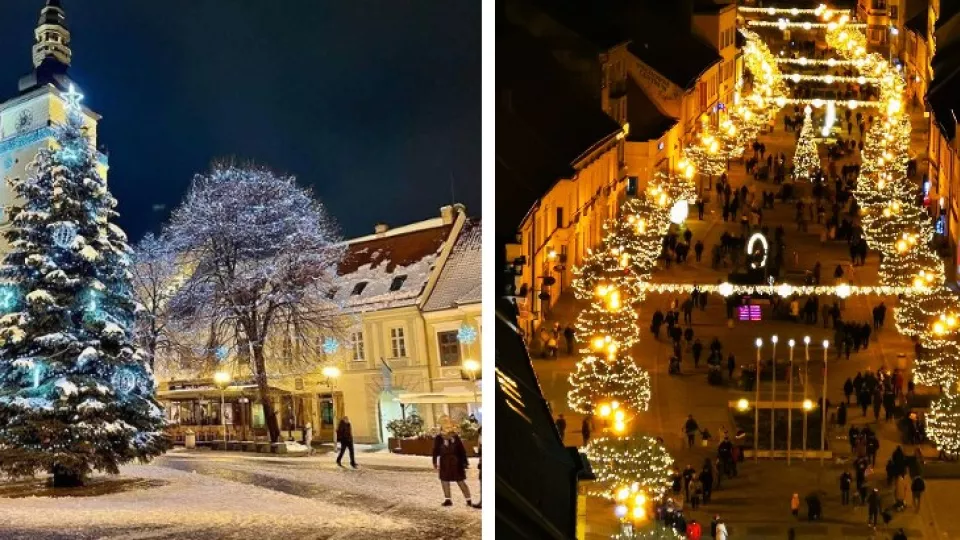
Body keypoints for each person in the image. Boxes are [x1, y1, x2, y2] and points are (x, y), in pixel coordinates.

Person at [432, 429, 472, 507]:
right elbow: (435, 450)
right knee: (444, 480)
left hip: (456, 462)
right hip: (444, 462)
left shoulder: (455, 437)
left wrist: (465, 462)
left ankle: (468, 500)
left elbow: (462, 450)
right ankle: (448, 499)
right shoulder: (438, 438)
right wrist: (434, 462)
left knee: (460, 481)